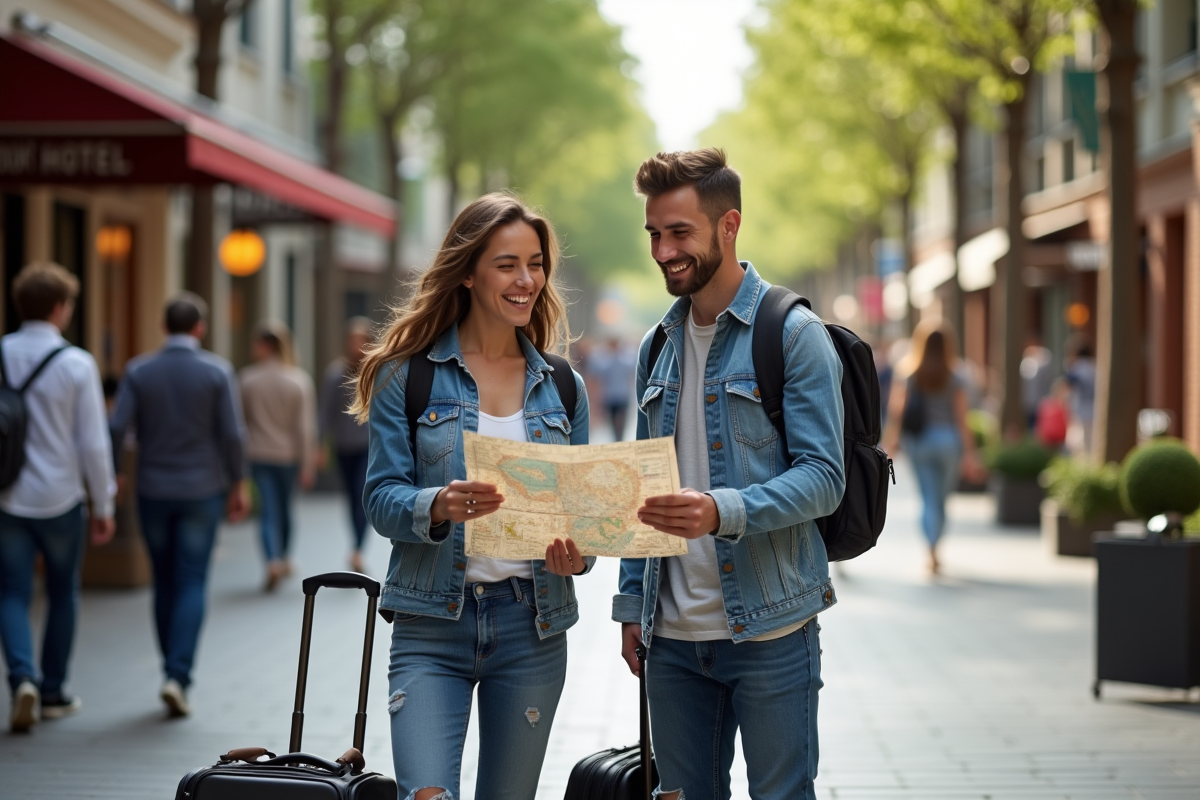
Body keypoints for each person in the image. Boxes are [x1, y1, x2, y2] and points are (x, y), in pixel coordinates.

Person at [612, 149, 845, 800]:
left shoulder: (792, 333)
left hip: (770, 627)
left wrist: (722, 511)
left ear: (728, 225)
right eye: (654, 234)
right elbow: (641, 488)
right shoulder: (655, 346)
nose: (662, 250)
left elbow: (825, 477)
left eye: (679, 232)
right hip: (674, 641)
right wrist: (633, 605)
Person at [351, 193, 591, 800]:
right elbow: (380, 498)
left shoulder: (563, 386)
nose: (526, 280)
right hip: (432, 622)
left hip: (531, 626)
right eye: (507, 264)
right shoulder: (407, 376)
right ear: (467, 271)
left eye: (535, 263)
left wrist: (579, 556)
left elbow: (583, 522)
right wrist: (436, 505)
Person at [109, 293, 249, 717]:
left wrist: (116, 473)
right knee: (191, 580)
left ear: (162, 326)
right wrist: (238, 482)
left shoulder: (139, 370)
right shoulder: (216, 371)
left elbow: (116, 426)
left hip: (152, 488)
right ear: (200, 328)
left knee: (164, 579)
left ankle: (169, 665)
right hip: (202, 490)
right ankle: (178, 673)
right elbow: (232, 434)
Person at [0, 263, 116, 733]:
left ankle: (21, 677)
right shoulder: (76, 363)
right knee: (63, 591)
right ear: (60, 308)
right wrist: (103, 503)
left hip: (7, 495)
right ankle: (52, 692)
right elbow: (93, 441)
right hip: (62, 495)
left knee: (11, 590)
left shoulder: (1, 353)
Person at [882, 319, 981, 575]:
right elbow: (962, 418)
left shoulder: (909, 372)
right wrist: (970, 453)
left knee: (927, 498)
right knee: (942, 499)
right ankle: (936, 546)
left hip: (919, 442)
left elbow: (897, 411)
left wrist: (890, 443)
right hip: (949, 442)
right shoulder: (957, 374)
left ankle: (931, 550)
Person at [240, 321, 317, 590]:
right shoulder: (298, 380)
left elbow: (241, 424)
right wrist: (307, 464)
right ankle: (283, 557)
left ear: (264, 345)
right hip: (288, 456)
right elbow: (304, 428)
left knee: (267, 512)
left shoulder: (247, 379)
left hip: (258, 453)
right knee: (285, 510)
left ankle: (272, 559)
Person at [319, 317, 373, 573]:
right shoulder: (336, 373)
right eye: (352, 340)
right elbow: (325, 412)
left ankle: (358, 549)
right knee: (352, 497)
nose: (356, 345)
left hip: (369, 446)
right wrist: (319, 444)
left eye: (360, 340)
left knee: (363, 494)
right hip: (343, 446)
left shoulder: (375, 369)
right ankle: (356, 544)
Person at [586, 335, 637, 440]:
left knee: (619, 420)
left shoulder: (616, 359)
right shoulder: (613, 360)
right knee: (615, 421)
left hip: (619, 395)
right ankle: (618, 437)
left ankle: (618, 437)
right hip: (613, 396)